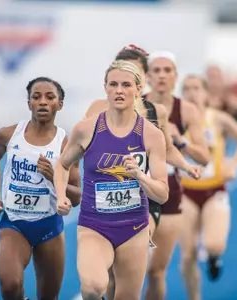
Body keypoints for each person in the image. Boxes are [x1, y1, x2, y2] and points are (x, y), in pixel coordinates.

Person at [84, 45, 203, 300]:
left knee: (149, 269)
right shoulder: (97, 108)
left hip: (146, 198)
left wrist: (186, 166)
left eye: (134, 73)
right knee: (112, 277)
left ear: (141, 78)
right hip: (106, 198)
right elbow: (80, 147)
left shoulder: (154, 111)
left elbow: (168, 149)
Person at [54, 60, 169, 300]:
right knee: (94, 287)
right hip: (94, 226)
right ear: (105, 88)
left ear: (138, 89)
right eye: (113, 84)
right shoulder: (86, 129)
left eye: (126, 85)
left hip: (134, 228)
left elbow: (162, 194)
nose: (119, 90)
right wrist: (61, 195)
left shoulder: (151, 135)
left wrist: (140, 176)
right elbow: (62, 164)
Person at [0, 77, 81, 300]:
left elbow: (77, 197)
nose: (42, 102)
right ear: (29, 103)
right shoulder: (8, 135)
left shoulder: (66, 145)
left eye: (50, 97)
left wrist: (54, 177)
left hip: (49, 227)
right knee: (10, 285)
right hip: (14, 224)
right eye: (36, 97)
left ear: (60, 104)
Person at [178, 75, 237, 299]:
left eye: (196, 88)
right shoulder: (174, 121)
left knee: (213, 244)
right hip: (186, 191)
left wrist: (233, 163)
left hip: (214, 190)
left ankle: (213, 256)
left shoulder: (217, 118)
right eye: (187, 89)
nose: (192, 93)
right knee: (187, 256)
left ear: (205, 93)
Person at [143, 51, 210, 300]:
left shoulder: (187, 110)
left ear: (175, 77)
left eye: (167, 70)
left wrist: (181, 142)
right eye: (156, 70)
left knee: (156, 272)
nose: (161, 75)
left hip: (169, 191)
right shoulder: (134, 104)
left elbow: (204, 157)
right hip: (135, 188)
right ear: (148, 76)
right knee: (121, 267)